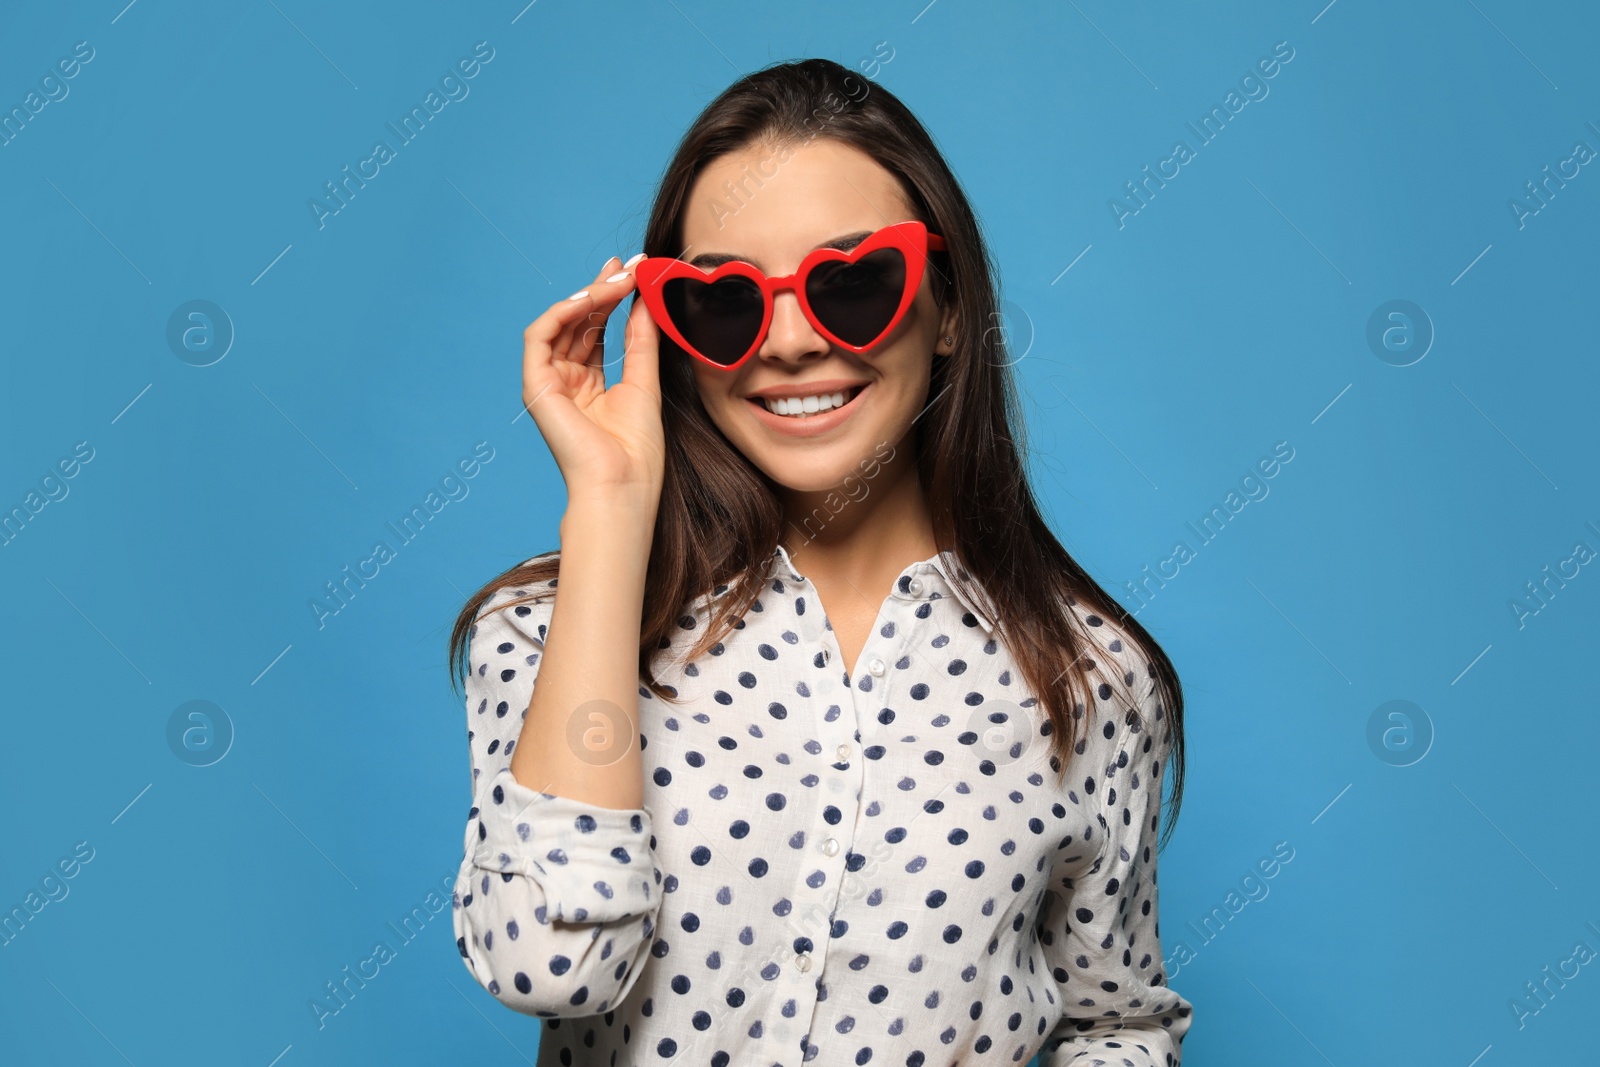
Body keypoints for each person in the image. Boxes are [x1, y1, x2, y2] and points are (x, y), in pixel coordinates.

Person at [446, 57, 1194, 1067]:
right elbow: (547, 966)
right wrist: (612, 509)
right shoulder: (547, 627)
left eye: (854, 283)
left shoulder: (1093, 676)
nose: (791, 341)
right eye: (723, 301)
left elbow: (1116, 1021)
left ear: (951, 310)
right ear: (668, 333)